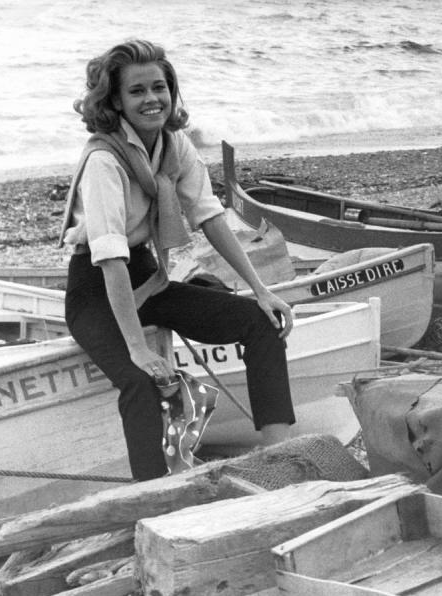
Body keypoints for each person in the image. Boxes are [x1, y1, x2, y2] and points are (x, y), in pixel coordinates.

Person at [60, 39, 296, 481]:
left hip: (147, 276)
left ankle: (279, 456)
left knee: (259, 322)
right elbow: (109, 260)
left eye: (159, 87)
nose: (152, 99)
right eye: (137, 91)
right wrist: (137, 347)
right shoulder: (103, 161)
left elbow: (209, 216)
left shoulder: (173, 146)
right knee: (141, 380)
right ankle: (153, 494)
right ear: (114, 101)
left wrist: (261, 291)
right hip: (95, 287)